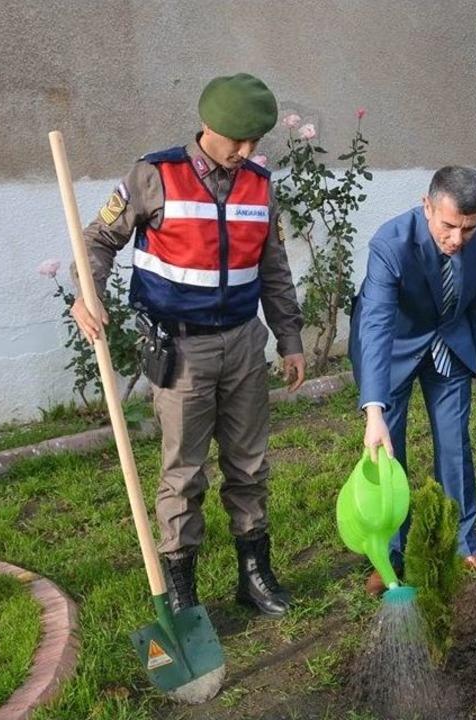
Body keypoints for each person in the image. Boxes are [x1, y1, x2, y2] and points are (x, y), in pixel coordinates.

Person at [70, 73, 306, 617]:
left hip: (244, 344)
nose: (245, 152)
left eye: (255, 142)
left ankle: (255, 573)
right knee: (184, 471)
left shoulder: (258, 184)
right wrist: (87, 293)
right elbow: (98, 240)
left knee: (250, 464)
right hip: (180, 350)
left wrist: (289, 338)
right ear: (207, 125)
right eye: (236, 140)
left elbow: (274, 268)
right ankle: (181, 591)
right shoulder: (154, 176)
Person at [350, 166, 476, 596]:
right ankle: (390, 557)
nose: (458, 239)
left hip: (450, 345)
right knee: (388, 452)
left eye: (468, 229)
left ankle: (465, 546)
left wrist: (475, 354)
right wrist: (374, 411)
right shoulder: (390, 243)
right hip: (394, 349)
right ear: (427, 205)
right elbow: (377, 325)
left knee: (456, 444)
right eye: (449, 226)